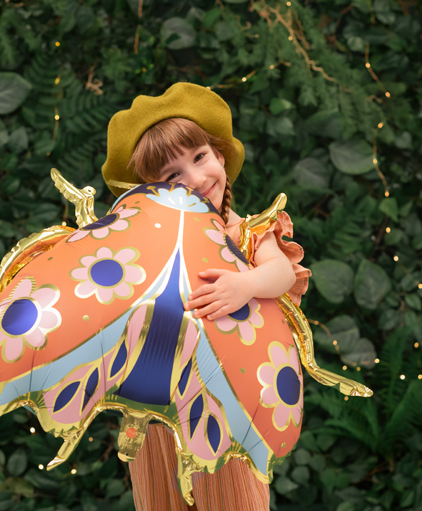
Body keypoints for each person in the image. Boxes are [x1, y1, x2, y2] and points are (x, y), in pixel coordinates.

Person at [103, 82, 311, 511]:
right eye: (172, 175)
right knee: (163, 499)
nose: (196, 179)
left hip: (226, 403)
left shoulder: (247, 231)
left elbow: (280, 272)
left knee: (233, 497)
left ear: (220, 155)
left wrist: (246, 284)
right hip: (159, 402)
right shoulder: (144, 245)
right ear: (151, 191)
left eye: (199, 157)